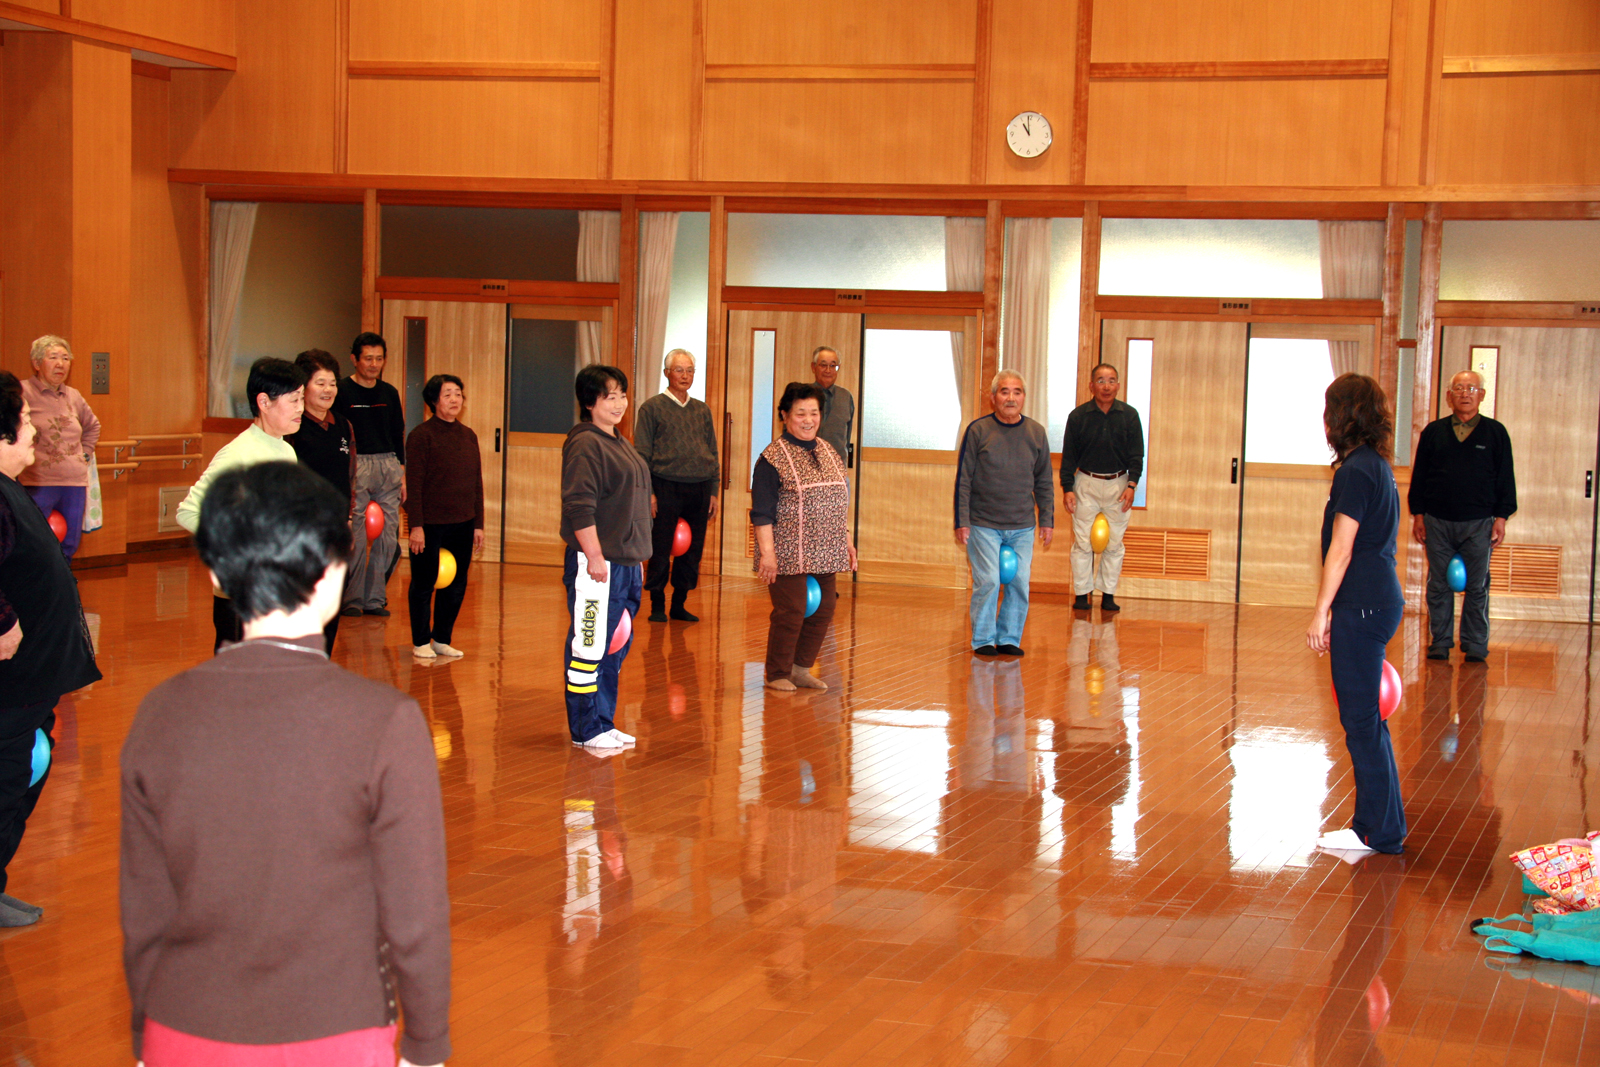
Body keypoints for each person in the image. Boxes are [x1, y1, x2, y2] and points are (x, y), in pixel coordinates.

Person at [121, 462, 450, 1067]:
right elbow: (416, 911)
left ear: (218, 572)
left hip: (183, 1029)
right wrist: (426, 1047)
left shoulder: (159, 713)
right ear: (334, 572)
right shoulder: (386, 722)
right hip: (337, 1034)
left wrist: (147, 1040)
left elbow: (146, 908)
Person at [0, 371, 100, 927]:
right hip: (13, 676)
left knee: (25, 769)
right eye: (22, 425)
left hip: (32, 676)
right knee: (10, 776)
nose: (32, 433)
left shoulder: (9, 485)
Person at [1306, 373, 1406, 856]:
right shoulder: (1376, 466)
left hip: (1361, 604)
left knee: (1362, 722)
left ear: (1340, 416)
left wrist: (1321, 611)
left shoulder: (1355, 471)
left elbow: (1341, 550)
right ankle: (1378, 824)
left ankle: (1377, 833)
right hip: (1378, 600)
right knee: (1368, 721)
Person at [177, 357, 306, 652]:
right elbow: (188, 512)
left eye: (301, 399)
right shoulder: (238, 453)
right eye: (293, 400)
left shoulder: (286, 450)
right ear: (264, 402)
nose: (301, 407)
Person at [560, 365, 651, 749]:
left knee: (613, 647)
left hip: (626, 566)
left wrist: (638, 558)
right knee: (589, 646)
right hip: (598, 565)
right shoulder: (585, 443)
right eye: (609, 396)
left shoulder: (617, 440)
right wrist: (594, 556)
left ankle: (603, 720)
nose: (618, 403)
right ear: (589, 402)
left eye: (622, 395)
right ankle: (585, 729)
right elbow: (579, 506)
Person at [752, 382, 857, 692]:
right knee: (792, 610)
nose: (809, 419)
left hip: (826, 546)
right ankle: (777, 673)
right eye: (801, 413)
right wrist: (767, 554)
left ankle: (800, 669)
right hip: (785, 549)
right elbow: (761, 512)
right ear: (785, 415)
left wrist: (846, 539)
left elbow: (841, 500)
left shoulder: (829, 451)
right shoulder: (772, 458)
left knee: (824, 609)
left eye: (814, 413)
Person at [1408, 370, 1517, 663]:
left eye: (1471, 388)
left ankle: (1475, 644)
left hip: (1479, 522)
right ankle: (1440, 642)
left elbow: (1505, 478)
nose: (1465, 393)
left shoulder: (1496, 432)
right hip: (1437, 521)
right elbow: (1419, 477)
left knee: (1477, 585)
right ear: (1449, 396)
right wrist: (1418, 515)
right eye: (1459, 388)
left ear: (1481, 395)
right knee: (1438, 584)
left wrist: (1501, 517)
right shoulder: (1433, 431)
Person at [954, 370, 1054, 657]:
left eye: (1017, 392)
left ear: (1024, 397)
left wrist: (1046, 519)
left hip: (1022, 524)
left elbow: (1044, 481)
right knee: (988, 580)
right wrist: (962, 521)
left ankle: (1009, 637)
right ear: (993, 397)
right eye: (1005, 391)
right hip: (984, 523)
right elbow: (964, 479)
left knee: (1020, 581)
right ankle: (983, 640)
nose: (1011, 398)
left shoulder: (1036, 433)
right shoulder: (978, 430)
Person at [634, 349, 719, 624]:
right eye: (679, 370)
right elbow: (642, 455)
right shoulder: (651, 408)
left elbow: (713, 452)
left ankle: (679, 603)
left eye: (690, 370)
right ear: (667, 373)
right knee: (660, 546)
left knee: (692, 549)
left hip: (699, 487)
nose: (685, 375)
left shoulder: (701, 409)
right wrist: (649, 493)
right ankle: (657, 604)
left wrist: (714, 490)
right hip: (665, 485)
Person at [405, 374, 484, 661]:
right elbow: (413, 485)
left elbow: (476, 482)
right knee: (424, 582)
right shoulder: (421, 436)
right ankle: (420, 640)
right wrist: (416, 526)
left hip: (463, 522)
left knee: (456, 583)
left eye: (458, 394)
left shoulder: (468, 435)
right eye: (448, 394)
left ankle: (442, 638)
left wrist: (478, 524)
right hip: (429, 525)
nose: (454, 399)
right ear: (433, 401)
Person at [286, 349, 357, 654]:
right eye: (320, 383)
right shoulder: (291, 426)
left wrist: (349, 518)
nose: (328, 390)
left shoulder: (343, 426)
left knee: (330, 604)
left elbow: (350, 476)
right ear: (302, 387)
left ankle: (320, 664)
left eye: (332, 383)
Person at [1061, 362, 1144, 614]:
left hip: (1119, 484)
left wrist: (1132, 484)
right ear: (1091, 385)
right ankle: (1083, 593)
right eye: (1100, 380)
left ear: (1118, 385)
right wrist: (1067, 487)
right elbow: (1068, 457)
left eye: (1111, 381)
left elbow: (1137, 455)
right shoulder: (1078, 416)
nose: (1106, 386)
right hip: (1085, 482)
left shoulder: (1129, 415)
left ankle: (1108, 594)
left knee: (1115, 543)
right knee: (1083, 542)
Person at [335, 331, 407, 618]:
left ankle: (375, 599)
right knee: (357, 534)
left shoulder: (389, 392)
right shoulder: (342, 391)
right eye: (368, 358)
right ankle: (351, 599)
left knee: (389, 536)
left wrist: (401, 471)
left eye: (379, 358)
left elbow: (397, 432)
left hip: (388, 464)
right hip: (357, 465)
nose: (374, 364)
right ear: (354, 359)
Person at [19, 335, 101, 559]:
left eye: (65, 358)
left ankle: (62, 588)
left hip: (73, 482)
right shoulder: (22, 392)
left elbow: (93, 426)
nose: (60, 364)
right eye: (53, 357)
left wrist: (85, 453)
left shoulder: (73, 396)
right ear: (37, 364)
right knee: (33, 541)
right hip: (36, 481)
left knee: (69, 543)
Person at [810, 346, 854, 469]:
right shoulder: (802, 395)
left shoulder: (845, 397)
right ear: (813, 367)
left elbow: (846, 437)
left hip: (836, 468)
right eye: (823, 365)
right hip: (805, 468)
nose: (828, 370)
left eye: (833, 366)